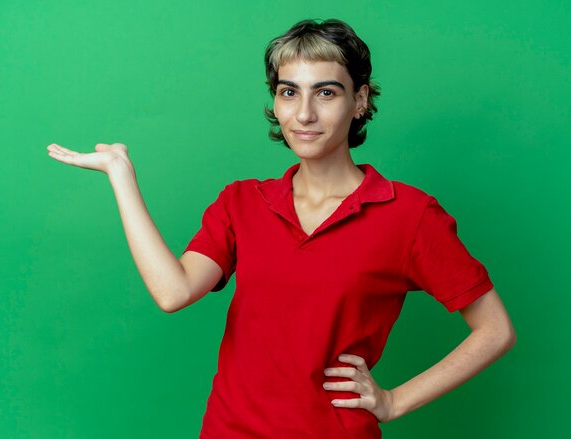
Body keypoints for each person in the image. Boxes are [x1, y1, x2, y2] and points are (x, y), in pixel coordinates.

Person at [47, 18, 516, 439]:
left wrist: (394, 401)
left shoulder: (408, 215)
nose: (304, 114)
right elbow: (173, 292)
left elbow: (495, 330)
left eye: (326, 92)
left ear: (361, 100)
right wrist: (121, 175)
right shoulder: (242, 202)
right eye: (289, 91)